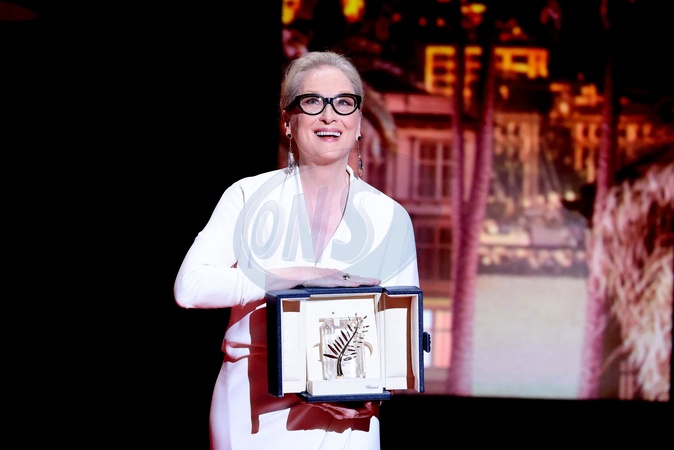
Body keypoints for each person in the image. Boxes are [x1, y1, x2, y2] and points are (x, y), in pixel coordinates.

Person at [174, 50, 419, 450]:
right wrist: (291, 277)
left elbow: (404, 331)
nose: (329, 116)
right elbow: (190, 288)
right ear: (288, 121)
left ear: (358, 122)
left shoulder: (390, 217)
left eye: (344, 103)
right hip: (252, 409)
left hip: (345, 422)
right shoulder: (247, 196)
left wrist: (369, 399)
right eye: (312, 102)